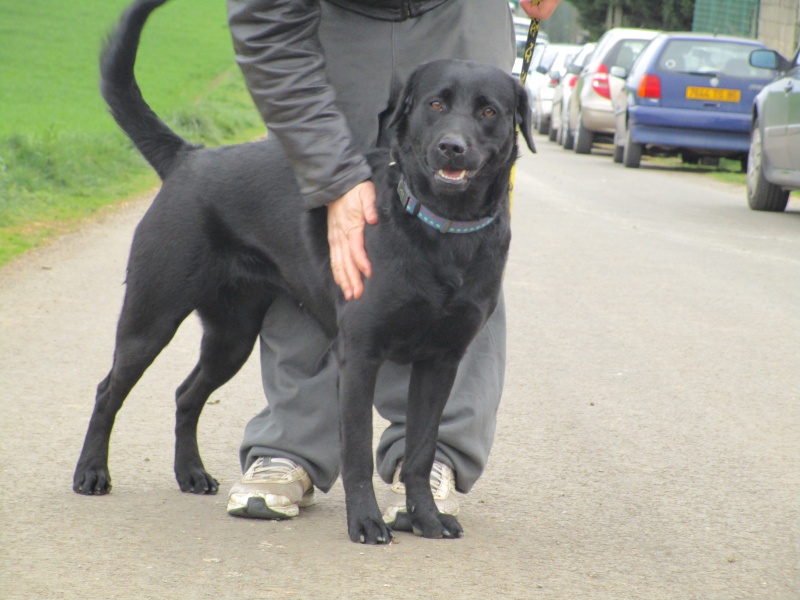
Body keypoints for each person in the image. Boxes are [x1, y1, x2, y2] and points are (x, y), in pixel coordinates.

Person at [225, 0, 561, 524]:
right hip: (322, 16)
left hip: (461, 11)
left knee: (467, 244)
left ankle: (431, 459)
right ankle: (291, 444)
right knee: (314, 220)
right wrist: (332, 178)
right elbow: (265, 23)